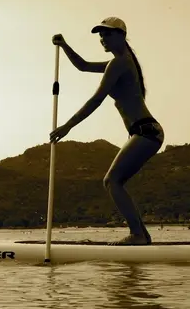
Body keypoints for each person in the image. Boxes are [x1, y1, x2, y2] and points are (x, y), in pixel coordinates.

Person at [49, 17, 164, 245]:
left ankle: (137, 234)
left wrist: (67, 126)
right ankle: (142, 236)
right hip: (145, 132)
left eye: (107, 34)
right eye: (101, 35)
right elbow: (83, 66)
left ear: (121, 35)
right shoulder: (119, 62)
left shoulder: (120, 62)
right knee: (115, 181)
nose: (103, 39)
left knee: (112, 181)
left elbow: (97, 99)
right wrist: (64, 46)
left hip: (145, 131)